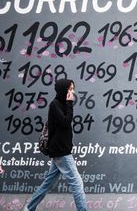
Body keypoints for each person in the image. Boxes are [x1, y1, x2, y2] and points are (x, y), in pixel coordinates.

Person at [24, 79, 87, 211]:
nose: (72, 92)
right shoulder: (55, 104)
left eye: (73, 89)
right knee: (77, 184)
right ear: (63, 90)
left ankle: (28, 208)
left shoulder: (63, 104)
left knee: (47, 184)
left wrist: (69, 104)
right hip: (61, 152)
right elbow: (65, 122)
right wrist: (70, 104)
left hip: (60, 151)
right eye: (70, 89)